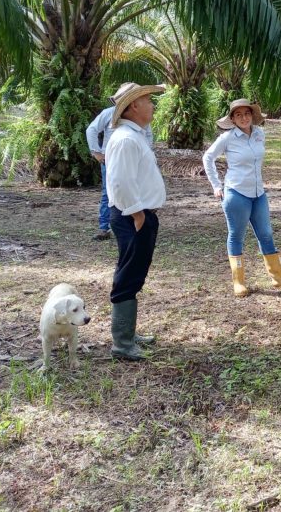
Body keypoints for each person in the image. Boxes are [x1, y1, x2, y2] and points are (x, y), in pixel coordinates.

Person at [203, 99, 281, 298]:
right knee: (236, 235)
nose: (244, 118)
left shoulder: (259, 134)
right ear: (232, 119)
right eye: (238, 115)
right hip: (236, 193)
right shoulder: (227, 138)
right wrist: (216, 185)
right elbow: (208, 157)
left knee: (266, 233)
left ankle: (279, 278)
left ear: (252, 116)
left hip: (258, 193)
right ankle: (238, 282)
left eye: (246, 113)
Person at [104, 82, 166, 361]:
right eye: (147, 100)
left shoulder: (134, 136)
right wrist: (138, 214)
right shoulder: (126, 139)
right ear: (133, 107)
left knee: (133, 272)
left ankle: (128, 333)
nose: (152, 104)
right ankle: (122, 342)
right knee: (129, 275)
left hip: (138, 215)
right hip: (133, 216)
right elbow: (119, 182)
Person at [85, 85, 154, 241]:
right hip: (111, 160)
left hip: (136, 159)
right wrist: (96, 152)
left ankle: (134, 223)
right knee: (110, 192)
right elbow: (92, 129)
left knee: (135, 190)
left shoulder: (140, 117)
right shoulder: (108, 113)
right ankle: (105, 227)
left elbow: (148, 135)